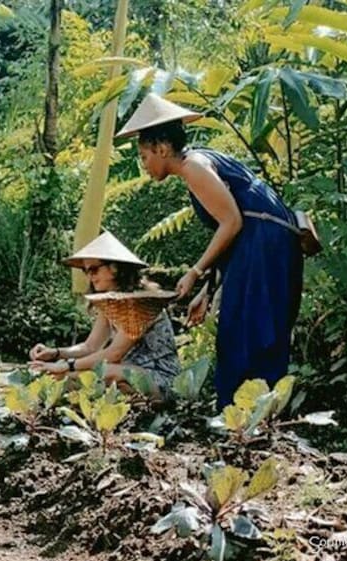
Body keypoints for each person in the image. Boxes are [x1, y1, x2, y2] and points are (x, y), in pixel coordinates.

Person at [117, 93, 303, 409]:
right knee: (249, 326)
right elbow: (232, 229)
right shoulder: (200, 161)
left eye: (144, 156)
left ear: (162, 148)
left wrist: (194, 272)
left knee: (246, 328)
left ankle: (245, 414)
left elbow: (231, 222)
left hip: (264, 244)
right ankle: (252, 413)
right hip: (263, 244)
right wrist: (208, 289)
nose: (143, 166)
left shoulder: (194, 167)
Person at [28, 232, 180, 400]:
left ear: (115, 268)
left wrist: (66, 366)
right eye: (86, 271)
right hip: (130, 371)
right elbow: (90, 347)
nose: (90, 276)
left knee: (94, 373)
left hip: (160, 378)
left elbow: (114, 354)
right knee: (62, 375)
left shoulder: (140, 303)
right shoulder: (111, 302)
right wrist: (56, 353)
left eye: (93, 269)